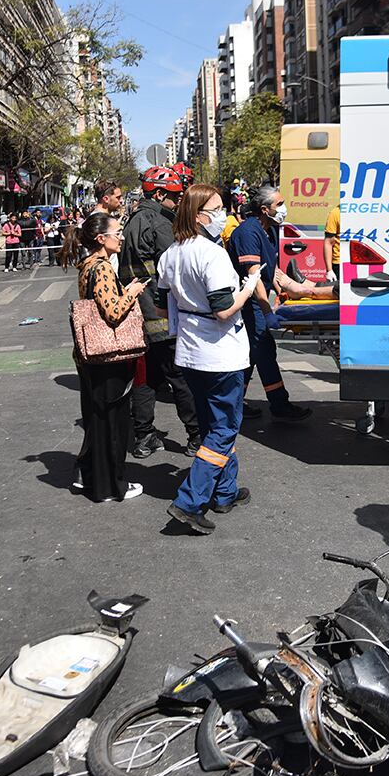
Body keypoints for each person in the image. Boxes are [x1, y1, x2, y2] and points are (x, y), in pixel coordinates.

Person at [156, 183, 264, 534]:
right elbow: (222, 310)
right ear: (201, 215)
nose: (225, 215)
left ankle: (224, 492)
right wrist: (248, 288)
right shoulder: (211, 254)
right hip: (220, 353)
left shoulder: (171, 253)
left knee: (212, 425)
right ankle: (190, 501)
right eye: (219, 209)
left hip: (190, 351)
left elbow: (161, 302)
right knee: (223, 429)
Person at [58, 212, 147, 503]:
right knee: (112, 422)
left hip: (89, 356)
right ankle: (111, 486)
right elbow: (113, 311)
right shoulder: (103, 268)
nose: (121, 236)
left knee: (97, 419)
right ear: (101, 239)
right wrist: (132, 291)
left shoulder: (87, 265)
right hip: (107, 357)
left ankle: (93, 479)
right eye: (116, 232)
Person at [120, 166, 202, 458]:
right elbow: (178, 267)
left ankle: (143, 437)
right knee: (181, 377)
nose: (177, 201)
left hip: (137, 315)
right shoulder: (159, 223)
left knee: (147, 378)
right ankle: (196, 436)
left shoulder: (132, 221)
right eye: (174, 196)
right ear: (158, 193)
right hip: (161, 313)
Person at [228, 185, 312, 422]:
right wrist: (267, 311)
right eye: (279, 204)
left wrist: (293, 289)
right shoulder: (248, 233)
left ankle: (235, 405)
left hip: (260, 297)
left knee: (252, 354)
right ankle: (279, 405)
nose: (284, 208)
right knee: (264, 350)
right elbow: (254, 277)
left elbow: (271, 269)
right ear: (264, 210)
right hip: (248, 302)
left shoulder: (271, 230)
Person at [324, 201, 342, 284]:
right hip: (339, 263)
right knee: (340, 293)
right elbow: (328, 242)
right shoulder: (336, 213)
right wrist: (329, 270)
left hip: (359, 261)